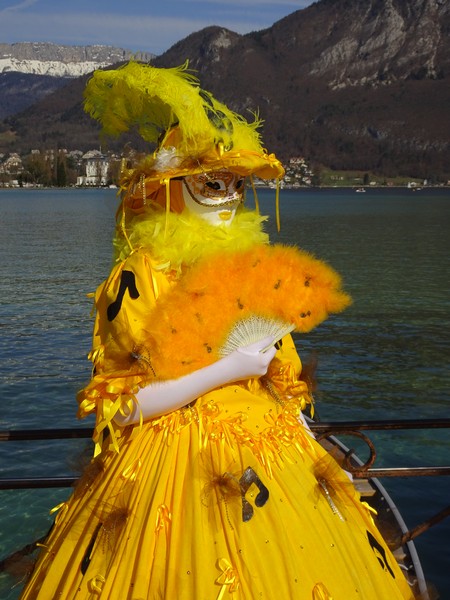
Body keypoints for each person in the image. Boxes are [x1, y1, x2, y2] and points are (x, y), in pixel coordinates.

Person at [20, 62, 415, 600]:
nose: (229, 197)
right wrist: (225, 369)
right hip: (171, 467)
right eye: (212, 183)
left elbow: (284, 387)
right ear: (172, 186)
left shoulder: (252, 275)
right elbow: (125, 406)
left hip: (280, 462)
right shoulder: (140, 278)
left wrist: (315, 451)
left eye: (237, 185)